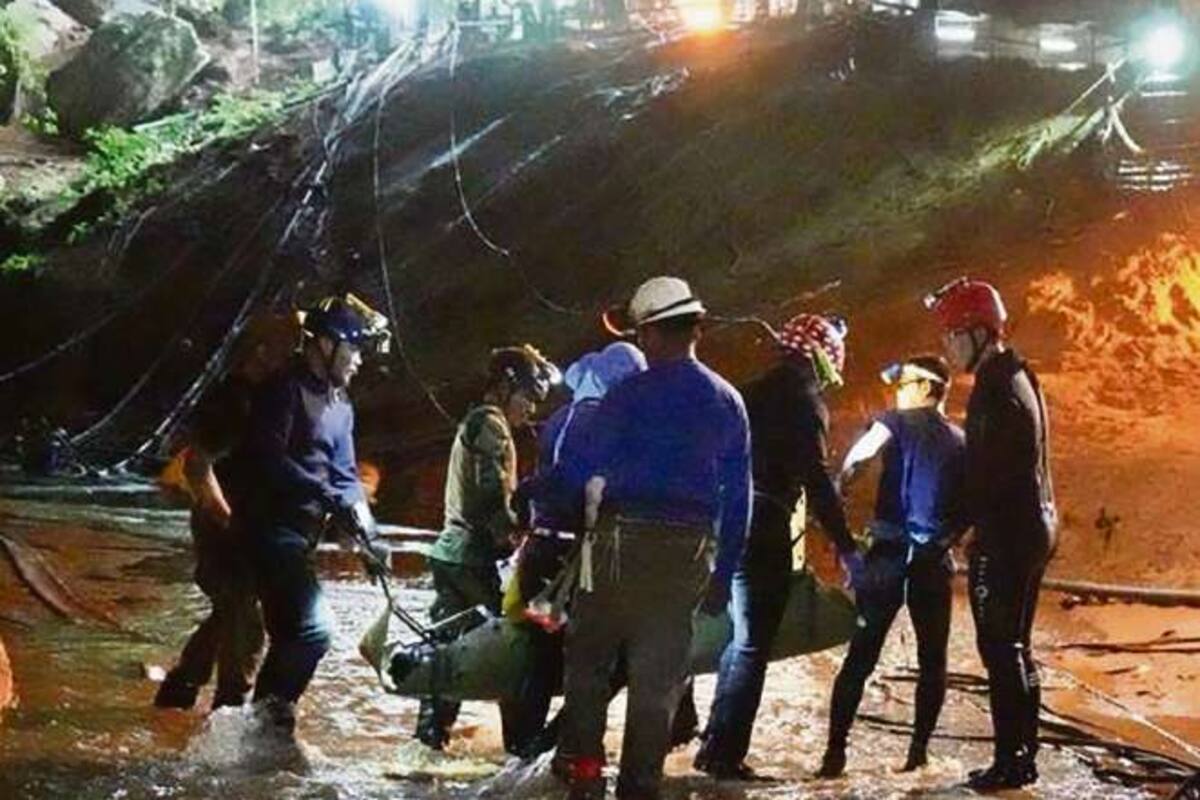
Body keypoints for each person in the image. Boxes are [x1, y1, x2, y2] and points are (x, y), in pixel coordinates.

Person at [558, 276, 752, 800]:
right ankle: (639, 787)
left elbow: (576, 473)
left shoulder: (626, 395)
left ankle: (585, 777)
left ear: (650, 334)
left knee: (588, 666)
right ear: (695, 328)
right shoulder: (727, 400)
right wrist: (721, 578)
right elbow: (739, 500)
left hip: (618, 548)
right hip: (686, 556)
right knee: (657, 684)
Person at [693, 312, 862, 781]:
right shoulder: (805, 403)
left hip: (722, 522)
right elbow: (815, 478)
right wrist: (847, 547)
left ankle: (715, 742)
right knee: (752, 645)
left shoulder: (747, 392)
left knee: (737, 636)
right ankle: (724, 755)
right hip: (762, 523)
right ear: (823, 359)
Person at [924, 277, 1057, 790]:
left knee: (999, 648)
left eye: (953, 335)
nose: (947, 347)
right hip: (1035, 525)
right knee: (1016, 646)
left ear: (980, 332)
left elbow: (985, 475)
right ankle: (1023, 755)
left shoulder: (993, 391)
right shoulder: (1020, 377)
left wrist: (948, 531)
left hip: (1007, 536)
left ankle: (1010, 761)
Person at [239, 295, 389, 730]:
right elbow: (269, 459)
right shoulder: (283, 390)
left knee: (291, 634)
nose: (359, 361)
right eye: (355, 349)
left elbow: (345, 475)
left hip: (302, 535)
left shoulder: (341, 405)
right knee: (313, 630)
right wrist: (326, 495)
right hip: (268, 529)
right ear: (326, 344)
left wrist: (369, 535)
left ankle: (263, 728)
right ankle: (268, 718)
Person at [817, 355, 967, 778]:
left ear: (925, 386)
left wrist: (838, 492)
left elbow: (859, 458)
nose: (897, 391)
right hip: (933, 560)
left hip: (887, 554)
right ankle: (917, 755)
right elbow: (970, 504)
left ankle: (834, 754)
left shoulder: (894, 422)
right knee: (932, 660)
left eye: (903, 383)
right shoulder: (961, 440)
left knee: (860, 657)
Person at [507, 342, 649, 758]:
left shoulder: (559, 419)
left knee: (542, 656)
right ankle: (563, 745)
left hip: (539, 553)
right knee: (611, 659)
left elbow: (547, 483)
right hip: (576, 560)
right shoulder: (605, 424)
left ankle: (523, 751)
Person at [154, 312, 301, 711]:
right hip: (224, 527)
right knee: (246, 616)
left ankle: (179, 690)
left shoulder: (267, 397)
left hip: (243, 521)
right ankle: (230, 710)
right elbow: (197, 464)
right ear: (262, 351)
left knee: (230, 611)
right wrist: (227, 517)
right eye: (287, 348)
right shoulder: (233, 397)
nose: (293, 357)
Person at [416, 344, 560, 753]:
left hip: (453, 554)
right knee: (508, 647)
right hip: (472, 559)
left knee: (453, 650)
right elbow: (489, 496)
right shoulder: (491, 425)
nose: (531, 408)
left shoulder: (478, 421)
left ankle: (429, 743)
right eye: (528, 397)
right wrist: (517, 534)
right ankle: (521, 746)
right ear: (505, 387)